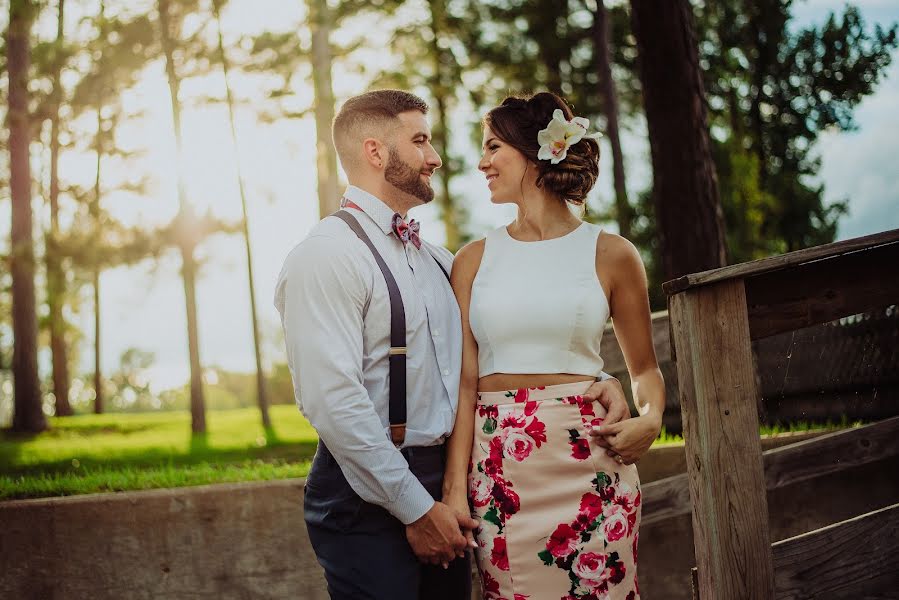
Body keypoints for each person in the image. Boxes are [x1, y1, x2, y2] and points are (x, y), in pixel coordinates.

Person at [275, 89, 632, 600]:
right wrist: (416, 510)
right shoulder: (326, 256)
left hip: (448, 487)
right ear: (375, 152)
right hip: (366, 494)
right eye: (420, 140)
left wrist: (597, 381)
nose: (436, 157)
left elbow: (495, 351)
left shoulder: (439, 260)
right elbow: (332, 403)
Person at [442, 92, 665, 600]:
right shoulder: (472, 260)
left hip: (591, 467)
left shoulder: (613, 255)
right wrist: (455, 488)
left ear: (533, 153)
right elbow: (463, 382)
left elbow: (645, 370)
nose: (482, 162)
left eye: (493, 146)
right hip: (500, 472)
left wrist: (651, 417)